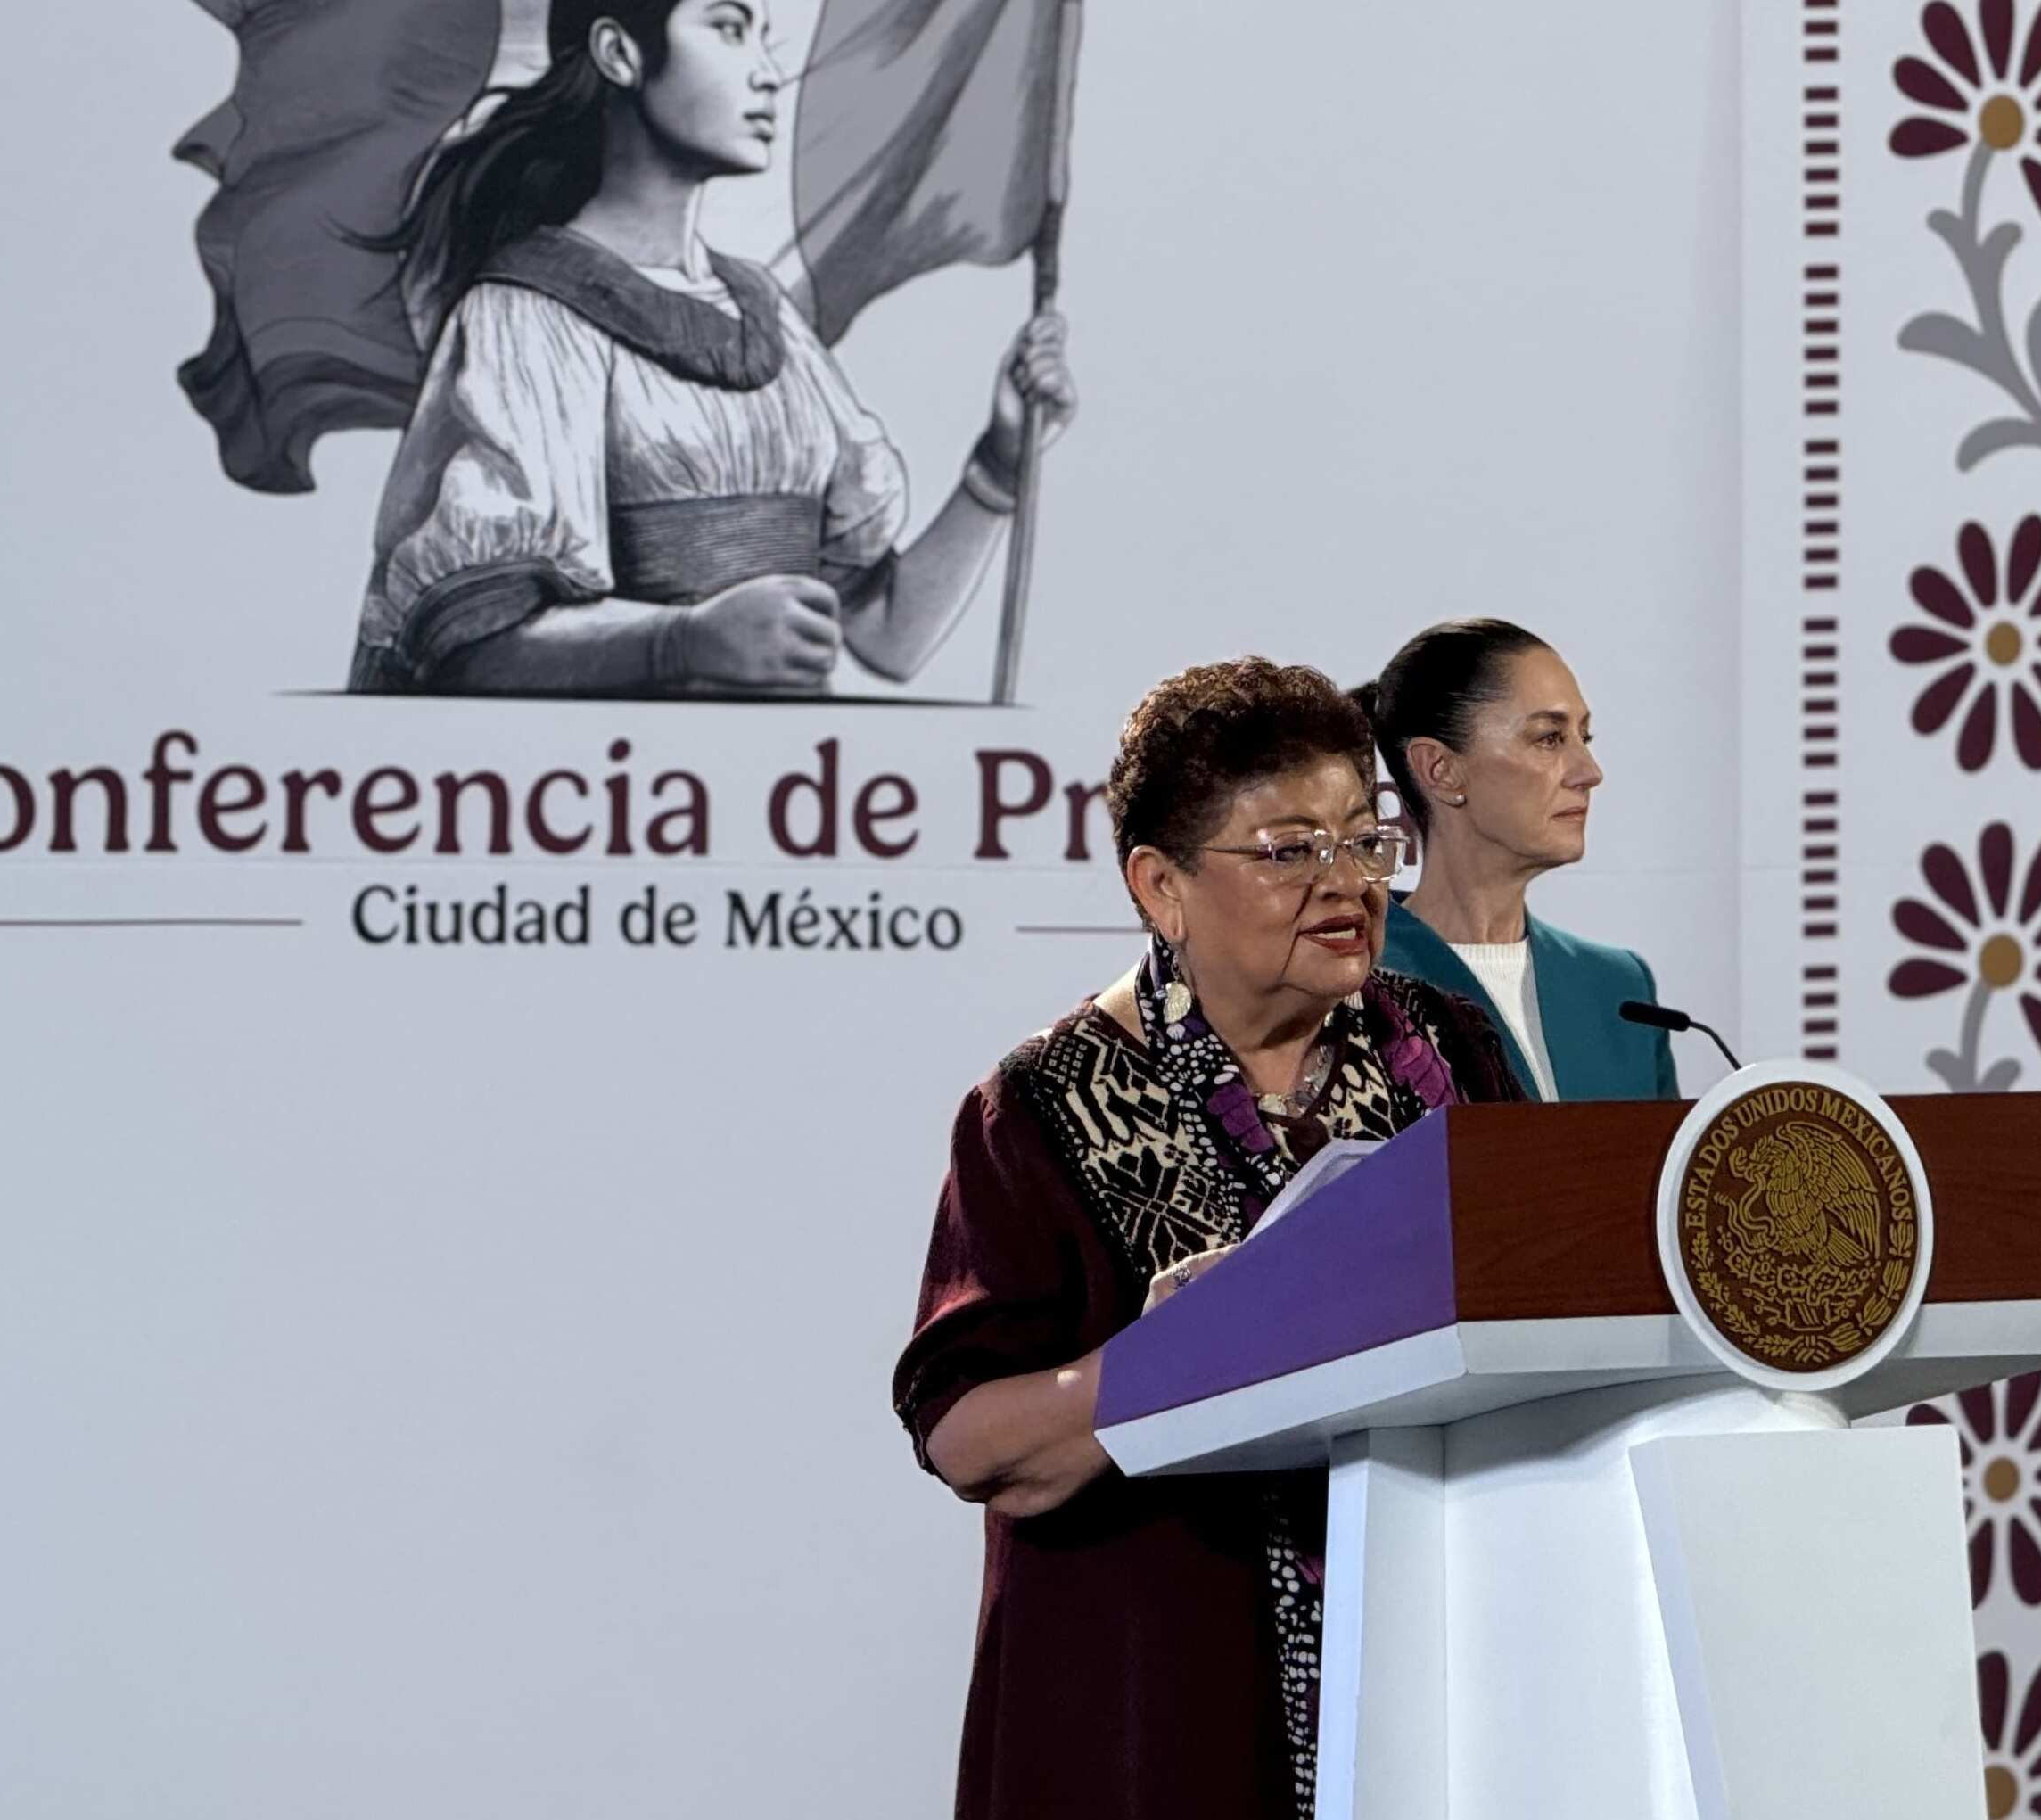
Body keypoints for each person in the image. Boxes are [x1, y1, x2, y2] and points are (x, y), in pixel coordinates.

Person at [893, 660, 1524, 1820]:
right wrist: (1161, 1362)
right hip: (1157, 1718)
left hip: (1436, 1677)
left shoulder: (1444, 1052)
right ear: (1161, 885)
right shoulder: (1045, 1105)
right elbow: (963, 1433)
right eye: (1289, 851)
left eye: (1364, 841)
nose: (1346, 883)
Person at [347, 0, 1077, 695]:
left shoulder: (769, 318)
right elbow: (469, 648)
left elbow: (889, 635)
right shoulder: (527, 314)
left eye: (763, 36)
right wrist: (683, 641)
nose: (766, 72)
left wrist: (1000, 460)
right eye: (728, 28)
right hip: (620, 778)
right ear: (619, 52)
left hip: (790, 777)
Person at [1354, 619, 1681, 1101]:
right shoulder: (1351, 981)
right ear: (1440, 770)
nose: (1590, 773)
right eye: (1549, 738)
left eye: (1584, 738)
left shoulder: (1619, 987)